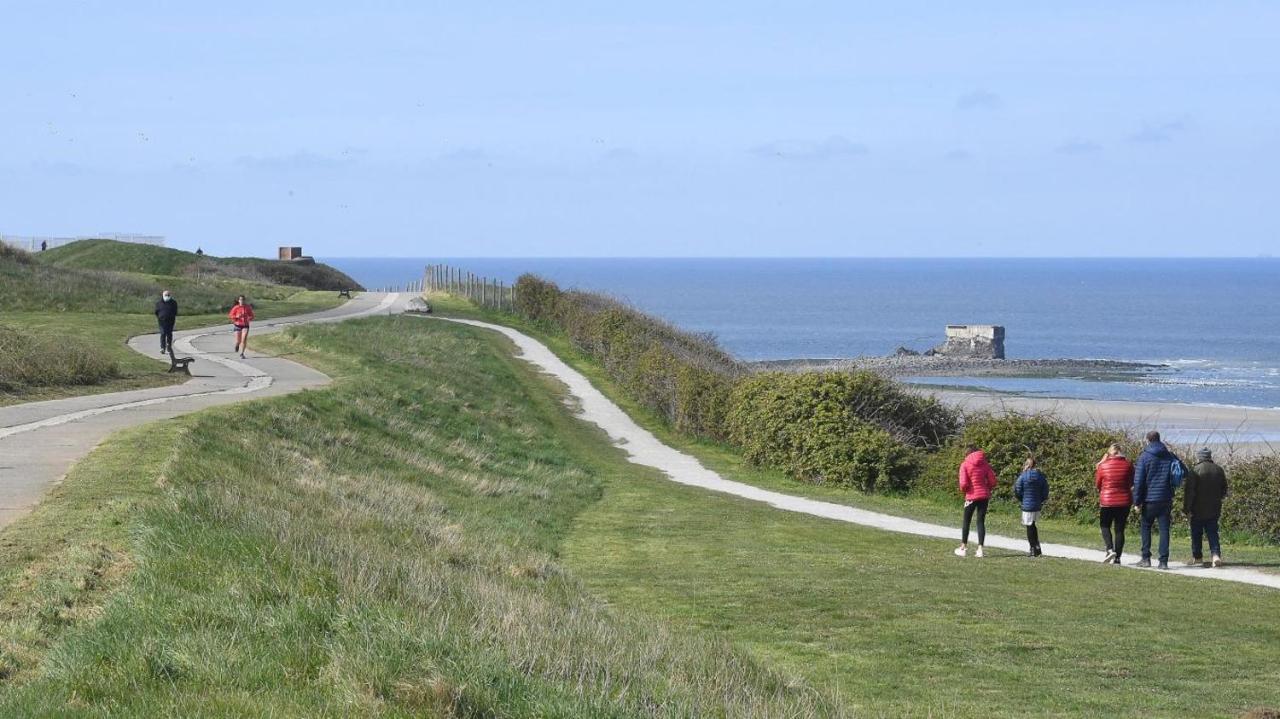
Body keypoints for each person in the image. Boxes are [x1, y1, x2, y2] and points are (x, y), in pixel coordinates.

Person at [1133, 430, 1180, 569]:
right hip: (1166, 498)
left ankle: (1146, 558)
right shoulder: (1169, 455)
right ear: (1160, 439)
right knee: (1164, 530)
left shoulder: (1145, 457)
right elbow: (1183, 471)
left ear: (1148, 440)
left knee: (1146, 528)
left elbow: (1139, 481)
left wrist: (1137, 501)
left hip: (1149, 499)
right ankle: (1163, 561)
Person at [1184, 448, 1229, 568]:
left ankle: (1198, 557)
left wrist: (1186, 509)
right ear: (1209, 456)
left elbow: (1190, 492)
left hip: (1197, 508)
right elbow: (1224, 489)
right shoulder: (1219, 470)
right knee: (1213, 532)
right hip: (1214, 507)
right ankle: (1215, 556)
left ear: (1200, 457)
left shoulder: (1195, 470)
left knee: (1196, 533)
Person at [955, 444, 997, 558]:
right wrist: (986, 487)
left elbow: (963, 483)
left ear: (967, 453)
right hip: (984, 495)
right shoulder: (985, 464)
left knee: (966, 521)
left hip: (971, 496)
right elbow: (993, 481)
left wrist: (966, 490)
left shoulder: (965, 464)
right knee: (980, 522)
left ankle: (963, 547)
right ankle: (980, 549)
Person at [1095, 444, 1135, 564]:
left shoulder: (1103, 465)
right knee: (1119, 529)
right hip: (1124, 501)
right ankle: (1118, 558)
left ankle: (1109, 549)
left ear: (1109, 453)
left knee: (1105, 525)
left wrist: (1100, 463)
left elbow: (1098, 484)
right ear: (1121, 452)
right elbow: (1132, 482)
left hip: (1107, 501)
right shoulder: (1128, 465)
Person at [1013, 456, 1049, 557]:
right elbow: (1045, 490)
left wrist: (1022, 499)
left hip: (1027, 505)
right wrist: (1040, 500)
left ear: (1027, 465)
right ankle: (1037, 548)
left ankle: (1032, 548)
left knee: (1029, 526)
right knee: (1033, 525)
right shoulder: (1040, 476)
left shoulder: (1023, 476)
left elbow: (1017, 489)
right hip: (1037, 505)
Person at [154, 290, 178, 354]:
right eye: (166, 295)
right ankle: (162, 348)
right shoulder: (159, 303)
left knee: (169, 334)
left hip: (170, 321)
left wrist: (172, 316)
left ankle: (169, 346)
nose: (167, 296)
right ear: (163, 295)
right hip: (162, 321)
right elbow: (156, 312)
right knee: (163, 334)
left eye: (168, 295)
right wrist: (160, 317)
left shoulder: (173, 303)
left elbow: (175, 312)